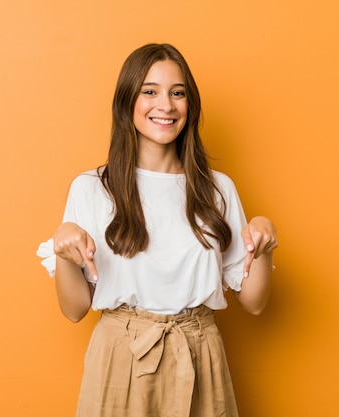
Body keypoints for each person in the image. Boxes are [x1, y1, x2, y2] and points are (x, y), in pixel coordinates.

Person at [37, 43, 278, 417]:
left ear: (190, 106)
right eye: (150, 91)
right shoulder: (92, 188)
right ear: (127, 102)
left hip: (200, 353)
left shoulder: (217, 190)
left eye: (177, 93)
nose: (165, 105)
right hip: (120, 354)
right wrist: (63, 250)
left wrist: (264, 245)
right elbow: (74, 309)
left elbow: (255, 301)